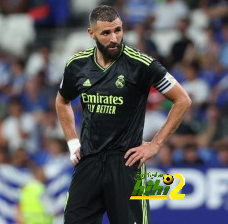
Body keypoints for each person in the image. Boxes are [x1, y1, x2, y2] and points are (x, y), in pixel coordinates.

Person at [55, 5, 191, 224]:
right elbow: (62, 101)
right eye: (106, 33)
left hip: (127, 163)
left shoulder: (141, 64)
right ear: (91, 34)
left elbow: (183, 99)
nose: (114, 38)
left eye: (118, 30)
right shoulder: (77, 65)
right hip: (88, 161)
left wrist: (155, 144)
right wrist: (72, 142)